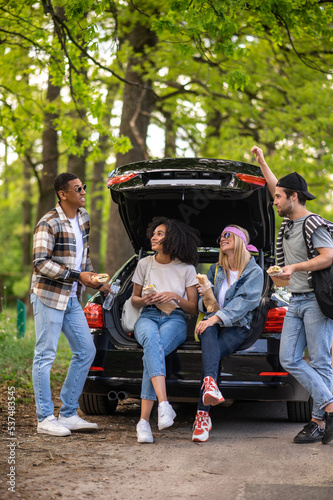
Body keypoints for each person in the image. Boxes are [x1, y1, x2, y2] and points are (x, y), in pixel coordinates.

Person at [251, 145, 333, 445]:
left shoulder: (313, 223)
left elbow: (328, 256)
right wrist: (262, 163)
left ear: (293, 197)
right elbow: (277, 184)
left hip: (315, 300)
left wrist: (295, 267)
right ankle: (330, 405)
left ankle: (317, 422)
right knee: (289, 358)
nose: (274, 201)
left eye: (278, 198)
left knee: (322, 362)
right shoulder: (288, 221)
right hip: (295, 300)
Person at [30, 173, 111, 437]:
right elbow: (40, 263)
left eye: (84, 187)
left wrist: (95, 280)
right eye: (78, 188)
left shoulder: (84, 218)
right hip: (48, 296)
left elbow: (82, 258)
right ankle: (44, 418)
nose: (83, 191)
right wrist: (78, 276)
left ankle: (67, 414)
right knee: (45, 356)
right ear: (63, 194)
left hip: (72, 298)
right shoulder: (48, 223)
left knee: (86, 351)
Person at [192, 225, 263, 442]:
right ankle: (208, 395)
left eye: (227, 235)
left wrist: (214, 318)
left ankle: (202, 416)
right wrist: (204, 295)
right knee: (207, 330)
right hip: (214, 324)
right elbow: (206, 307)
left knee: (209, 358)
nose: (221, 239)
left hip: (239, 326)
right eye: (220, 235)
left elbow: (244, 304)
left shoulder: (254, 272)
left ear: (240, 241)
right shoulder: (215, 270)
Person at [132, 217, 199, 443]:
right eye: (154, 233)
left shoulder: (187, 269)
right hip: (148, 316)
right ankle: (163, 405)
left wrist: (175, 297)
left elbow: (193, 307)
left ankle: (143, 423)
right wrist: (146, 299)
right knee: (152, 343)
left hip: (176, 319)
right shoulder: (144, 264)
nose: (154, 236)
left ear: (172, 239)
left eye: (160, 234)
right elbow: (133, 300)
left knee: (152, 351)